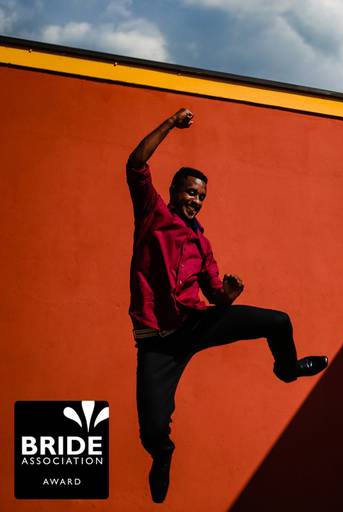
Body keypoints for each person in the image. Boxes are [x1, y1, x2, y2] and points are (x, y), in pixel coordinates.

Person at [126, 108, 328, 503]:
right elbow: (136, 163)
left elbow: (215, 293)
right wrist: (169, 123)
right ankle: (163, 455)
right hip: (156, 342)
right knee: (152, 429)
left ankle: (287, 369)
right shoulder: (152, 215)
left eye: (201, 196)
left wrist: (228, 297)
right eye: (189, 193)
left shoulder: (202, 244)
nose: (195, 201)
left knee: (278, 321)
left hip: (195, 325)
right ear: (173, 191)